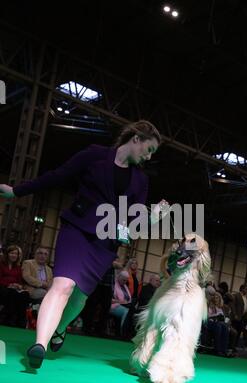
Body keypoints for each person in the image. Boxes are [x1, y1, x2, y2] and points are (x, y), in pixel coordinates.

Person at [0, 120, 167, 368]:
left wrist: (151, 219)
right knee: (63, 285)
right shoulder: (95, 155)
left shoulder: (141, 181)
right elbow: (57, 175)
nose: (149, 155)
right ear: (136, 139)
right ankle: (40, 345)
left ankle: (61, 327)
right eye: (149, 148)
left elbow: (132, 219)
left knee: (79, 298)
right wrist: (17, 191)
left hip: (104, 243)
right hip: (76, 229)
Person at [0, 245, 30, 327]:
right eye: (12, 253)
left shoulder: (18, 267)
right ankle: (8, 319)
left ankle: (20, 321)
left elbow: (19, 280)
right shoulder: (1, 264)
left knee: (25, 294)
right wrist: (9, 285)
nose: (14, 255)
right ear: (7, 254)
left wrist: (19, 286)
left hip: (14, 288)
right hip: (2, 286)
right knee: (12, 293)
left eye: (16, 254)